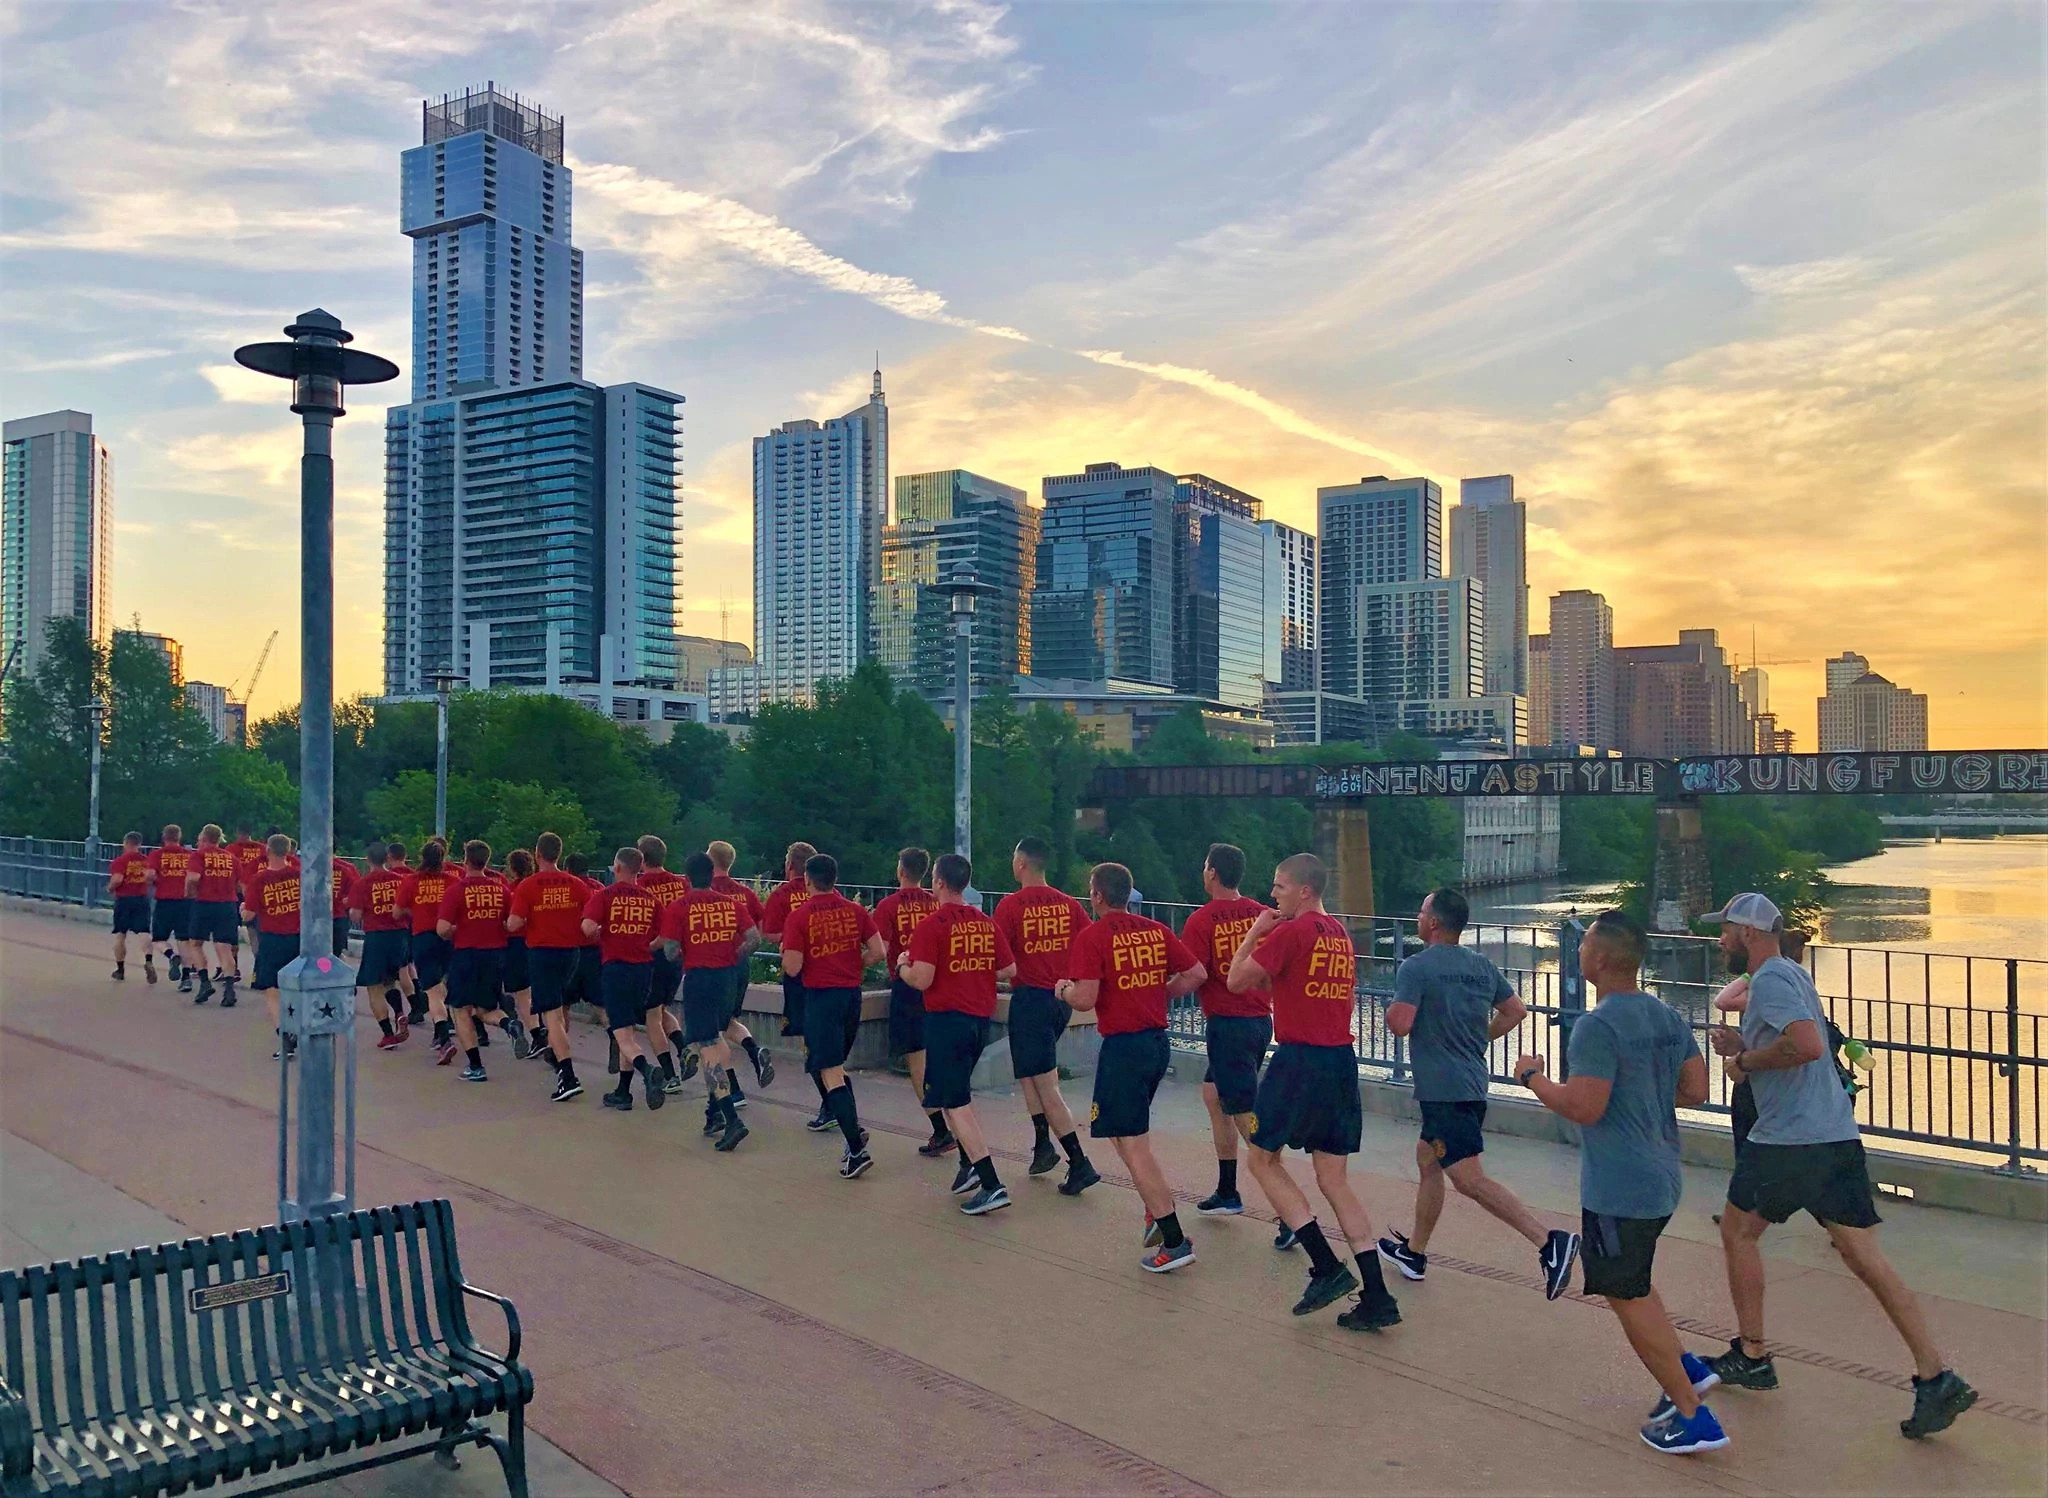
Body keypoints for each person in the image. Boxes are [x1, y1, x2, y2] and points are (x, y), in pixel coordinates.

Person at [1702, 893, 1976, 1439]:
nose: (1720, 941)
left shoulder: (1772, 980)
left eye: (1726, 931)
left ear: (1749, 935)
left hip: (1789, 1140)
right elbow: (1806, 1044)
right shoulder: (1791, 975)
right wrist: (1748, 1042)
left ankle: (1752, 1355)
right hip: (1832, 1136)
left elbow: (1804, 1046)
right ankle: (1936, 1375)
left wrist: (1743, 1060)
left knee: (1737, 1234)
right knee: (1864, 1257)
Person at [1515, 909, 1726, 1454]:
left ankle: (1691, 1414)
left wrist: (1534, 1078)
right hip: (1662, 1173)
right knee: (1633, 1279)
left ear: (1602, 959)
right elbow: (1696, 1089)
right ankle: (1686, 1367)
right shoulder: (1665, 1016)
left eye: (1584, 943)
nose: (1580, 950)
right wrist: (1641, 1093)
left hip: (1620, 1184)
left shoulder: (1597, 1026)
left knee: (1622, 1290)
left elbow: (1583, 1107)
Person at [1379, 888, 1579, 1298]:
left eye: (1420, 912)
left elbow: (1399, 1024)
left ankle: (1549, 1242)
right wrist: (1479, 1038)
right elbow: (1517, 1010)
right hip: (1471, 1082)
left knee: (1469, 1179)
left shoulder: (1416, 967)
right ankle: (1414, 1253)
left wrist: (1390, 1010)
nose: (1418, 918)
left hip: (1443, 1090)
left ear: (1433, 923)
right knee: (1428, 1160)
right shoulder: (1481, 966)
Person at [1228, 853, 1397, 1329]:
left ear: (1304, 890)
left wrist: (1254, 932)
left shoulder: (1292, 932)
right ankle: (1378, 1297)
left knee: (1261, 1159)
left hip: (1299, 1059)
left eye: (1280, 887)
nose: (1273, 894)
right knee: (1334, 1179)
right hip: (1340, 1062)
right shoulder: (1340, 934)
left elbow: (1236, 980)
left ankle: (1325, 1266)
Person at [1057, 862, 1205, 1272]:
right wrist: (1162, 994)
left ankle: (1175, 1240)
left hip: (1124, 1048)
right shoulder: (1155, 931)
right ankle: (1154, 1210)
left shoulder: (1093, 936)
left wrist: (1064, 990)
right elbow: (1196, 972)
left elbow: (1085, 999)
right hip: (1155, 1044)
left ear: (1098, 896)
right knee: (1123, 1136)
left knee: (1134, 1144)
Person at [900, 853, 1016, 1215]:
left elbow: (922, 979)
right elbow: (1009, 968)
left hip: (947, 1021)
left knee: (956, 1104)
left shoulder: (932, 925)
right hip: (978, 1021)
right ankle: (969, 1168)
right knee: (955, 1095)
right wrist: (973, 972)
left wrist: (904, 965)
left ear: (937, 882)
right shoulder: (985, 922)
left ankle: (992, 1183)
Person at [992, 837, 1101, 1194]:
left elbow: (1002, 963)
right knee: (1028, 1072)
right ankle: (1042, 1146)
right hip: (1059, 998)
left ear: (1021, 863)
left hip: (1030, 999)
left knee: (1045, 1084)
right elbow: (1091, 943)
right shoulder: (1069, 905)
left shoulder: (1009, 907)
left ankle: (1079, 1162)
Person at [1177, 843, 1270, 1217]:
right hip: (1260, 1020)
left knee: (1245, 1114)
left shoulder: (1201, 921)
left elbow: (1193, 974)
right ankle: (1227, 1189)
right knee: (1214, 1096)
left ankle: (1288, 1211)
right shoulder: (1261, 915)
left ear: (1212, 873)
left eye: (1204, 866)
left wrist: (1157, 993)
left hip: (1228, 1025)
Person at [781, 853, 884, 1179]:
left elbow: (793, 967)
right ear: (835, 879)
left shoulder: (800, 916)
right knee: (835, 1067)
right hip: (851, 997)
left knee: (830, 1072)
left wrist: (789, 952)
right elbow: (879, 952)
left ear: (808, 880)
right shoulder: (855, 911)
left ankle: (856, 1147)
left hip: (821, 999)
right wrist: (856, 964)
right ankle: (852, 1129)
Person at [659, 851, 759, 1151]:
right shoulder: (731, 904)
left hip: (700, 979)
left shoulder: (679, 907)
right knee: (717, 1038)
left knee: (708, 1049)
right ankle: (713, 1113)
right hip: (727, 978)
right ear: (712, 874)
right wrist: (733, 954)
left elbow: (670, 951)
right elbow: (754, 938)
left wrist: (688, 950)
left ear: (687, 878)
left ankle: (732, 1120)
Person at [582, 845, 670, 1113]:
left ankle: (648, 1070)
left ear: (618, 868)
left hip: (616, 969)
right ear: (639, 868)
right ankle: (623, 1091)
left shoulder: (605, 895)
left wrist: (600, 935)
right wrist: (647, 945)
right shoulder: (651, 899)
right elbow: (665, 937)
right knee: (628, 1029)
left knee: (621, 1034)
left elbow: (586, 927)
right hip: (644, 970)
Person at [873, 848, 946, 1154]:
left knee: (917, 1060)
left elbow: (881, 949)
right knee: (937, 1055)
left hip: (907, 984)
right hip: (939, 984)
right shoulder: (936, 903)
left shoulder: (888, 906)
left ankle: (940, 1129)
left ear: (901, 871)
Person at [508, 832, 590, 1103]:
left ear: (537, 854)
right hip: (571, 954)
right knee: (559, 1008)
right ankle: (557, 1055)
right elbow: (588, 918)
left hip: (542, 953)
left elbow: (515, 923)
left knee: (551, 1016)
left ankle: (568, 1076)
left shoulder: (528, 886)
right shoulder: (577, 884)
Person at [763, 842, 833, 1126]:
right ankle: (833, 1099)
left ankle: (830, 1103)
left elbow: (768, 934)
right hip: (830, 975)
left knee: (811, 1041)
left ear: (791, 866)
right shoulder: (832, 894)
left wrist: (791, 940)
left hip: (799, 977)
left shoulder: (781, 895)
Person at [437, 840, 511, 1082]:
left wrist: (455, 930)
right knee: (485, 1008)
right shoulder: (501, 890)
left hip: (466, 954)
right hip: (495, 953)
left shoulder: (457, 890)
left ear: (465, 861)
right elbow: (511, 922)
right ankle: (509, 1024)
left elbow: (442, 928)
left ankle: (476, 1066)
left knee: (460, 1009)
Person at [706, 839, 775, 1095]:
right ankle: (753, 1050)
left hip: (714, 967)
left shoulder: (705, 890)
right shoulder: (745, 893)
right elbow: (757, 930)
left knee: (712, 1031)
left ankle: (732, 1091)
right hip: (740, 964)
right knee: (729, 1020)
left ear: (710, 861)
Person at [637, 835, 695, 1092]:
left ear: (641, 859)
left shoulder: (640, 886)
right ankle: (683, 1049)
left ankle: (670, 1075)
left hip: (652, 955)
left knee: (651, 1016)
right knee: (661, 1010)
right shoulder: (682, 883)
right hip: (677, 956)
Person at [396, 841, 458, 1064]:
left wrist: (415, 908)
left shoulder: (411, 881)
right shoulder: (453, 881)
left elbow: (397, 912)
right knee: (443, 984)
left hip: (423, 937)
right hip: (449, 936)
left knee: (432, 991)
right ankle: (443, 1027)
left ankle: (443, 1037)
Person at [241, 834, 301, 1060]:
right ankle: (298, 1026)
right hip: (299, 939)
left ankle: (285, 1035)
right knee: (295, 987)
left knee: (272, 991)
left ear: (267, 850)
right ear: (289, 851)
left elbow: (249, 915)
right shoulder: (300, 875)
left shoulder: (260, 879)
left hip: (272, 939)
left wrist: (242, 909)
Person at [352, 842, 412, 1050]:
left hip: (377, 936)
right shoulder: (400, 880)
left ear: (368, 860)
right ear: (387, 858)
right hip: (400, 935)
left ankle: (388, 1034)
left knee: (373, 986)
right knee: (390, 980)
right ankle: (400, 1012)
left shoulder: (363, 883)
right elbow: (408, 909)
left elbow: (356, 915)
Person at [182, 826, 244, 1007]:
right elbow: (240, 886)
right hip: (227, 905)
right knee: (224, 947)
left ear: (204, 838)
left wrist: (188, 892)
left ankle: (204, 982)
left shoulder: (199, 855)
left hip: (204, 903)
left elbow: (193, 878)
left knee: (195, 943)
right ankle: (229, 989)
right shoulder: (232, 858)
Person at [500, 847, 542, 1059]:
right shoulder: (538, 886)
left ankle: (536, 1034)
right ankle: (547, 1033)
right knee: (539, 992)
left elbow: (510, 921)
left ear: (511, 868)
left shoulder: (511, 890)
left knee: (522, 995)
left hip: (516, 943)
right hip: (540, 942)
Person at [145, 825, 198, 990]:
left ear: (164, 837)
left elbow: (150, 875)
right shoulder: (190, 855)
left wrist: (153, 882)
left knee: (158, 939)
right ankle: (186, 978)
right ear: (179, 837)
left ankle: (171, 955)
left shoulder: (157, 854)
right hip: (185, 901)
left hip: (165, 901)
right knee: (184, 939)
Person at [106, 833, 154, 982]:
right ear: (139, 844)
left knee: (120, 934)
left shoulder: (120, 861)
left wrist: (109, 888)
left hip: (124, 899)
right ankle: (148, 960)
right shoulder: (146, 861)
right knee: (144, 932)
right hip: (141, 899)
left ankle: (120, 970)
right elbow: (151, 878)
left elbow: (117, 879)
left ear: (126, 843)